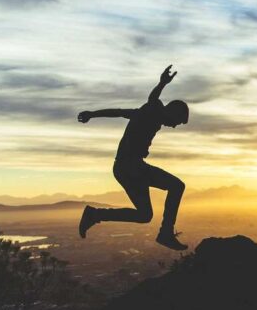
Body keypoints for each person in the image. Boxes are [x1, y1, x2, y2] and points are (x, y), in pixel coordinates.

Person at [76, 65, 190, 251]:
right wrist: (162, 83)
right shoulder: (154, 110)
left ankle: (94, 214)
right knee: (177, 186)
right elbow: (153, 99)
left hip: (128, 168)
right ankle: (165, 234)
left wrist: (93, 114)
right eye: (177, 121)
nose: (175, 126)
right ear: (173, 112)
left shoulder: (146, 114)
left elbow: (120, 112)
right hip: (130, 167)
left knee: (145, 215)